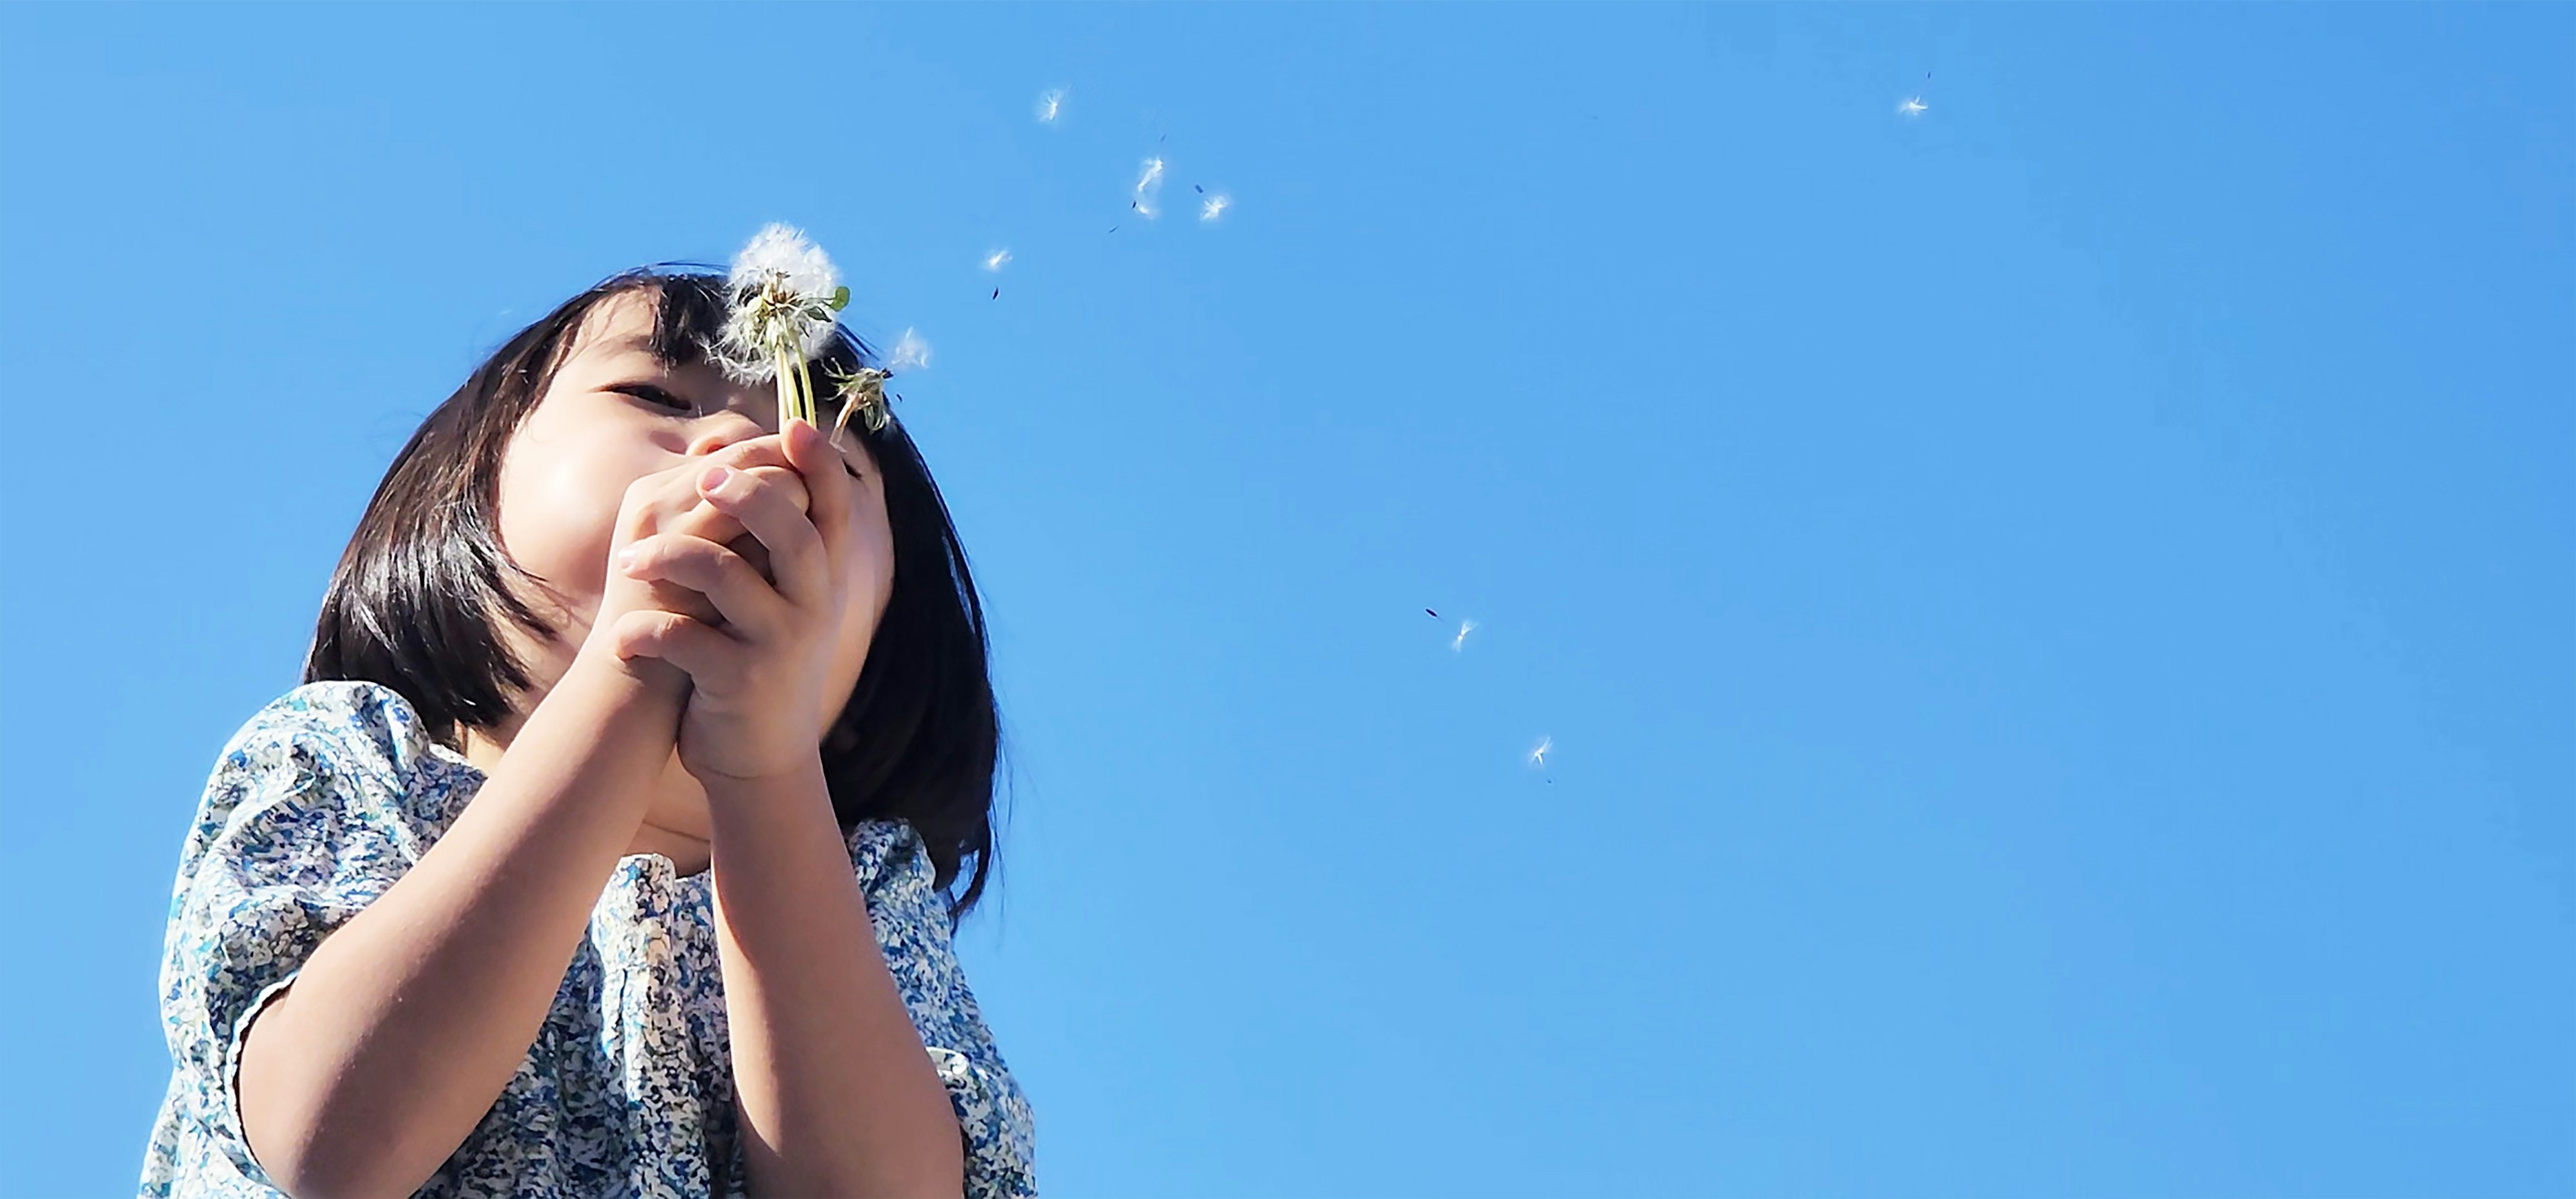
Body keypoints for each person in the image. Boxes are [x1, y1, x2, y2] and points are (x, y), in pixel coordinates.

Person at [138, 265, 1035, 1198]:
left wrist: (768, 774)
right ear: (461, 501)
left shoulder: (869, 898)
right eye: (660, 397)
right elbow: (332, 1139)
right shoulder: (351, 763)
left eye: (831, 465)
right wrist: (624, 670)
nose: (741, 448)